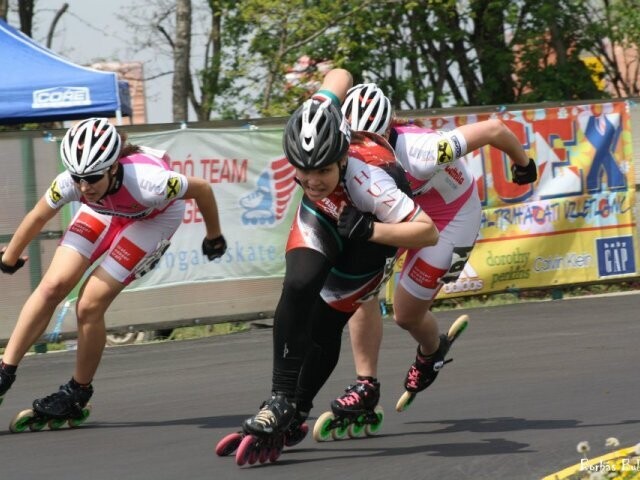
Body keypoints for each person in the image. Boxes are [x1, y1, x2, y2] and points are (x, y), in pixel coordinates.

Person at [240, 70, 439, 440]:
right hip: (326, 214)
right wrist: (333, 85)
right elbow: (340, 75)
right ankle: (279, 401)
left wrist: (370, 230)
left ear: (343, 159)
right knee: (298, 284)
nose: (312, 180)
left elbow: (427, 232)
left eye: (323, 170)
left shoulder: (370, 180)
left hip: (372, 234)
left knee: (324, 324)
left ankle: (299, 407)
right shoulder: (318, 112)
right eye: (303, 170)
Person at [331, 82, 537, 414]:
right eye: (354, 143)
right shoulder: (346, 155)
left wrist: (523, 163)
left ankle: (431, 351)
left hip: (450, 218)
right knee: (361, 288)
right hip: (404, 209)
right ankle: (365, 384)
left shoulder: (423, 151)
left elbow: (494, 129)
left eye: (371, 144)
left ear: (388, 132)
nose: (361, 153)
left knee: (406, 315)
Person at [0, 117, 226, 420]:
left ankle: (77, 392)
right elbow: (38, 216)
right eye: (78, 178)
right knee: (53, 286)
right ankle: (4, 372)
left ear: (114, 167)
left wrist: (214, 236)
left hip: (151, 219)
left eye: (92, 178)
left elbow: (203, 190)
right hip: (103, 211)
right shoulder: (76, 183)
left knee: (89, 305)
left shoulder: (150, 182)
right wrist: (8, 258)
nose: (84, 186)